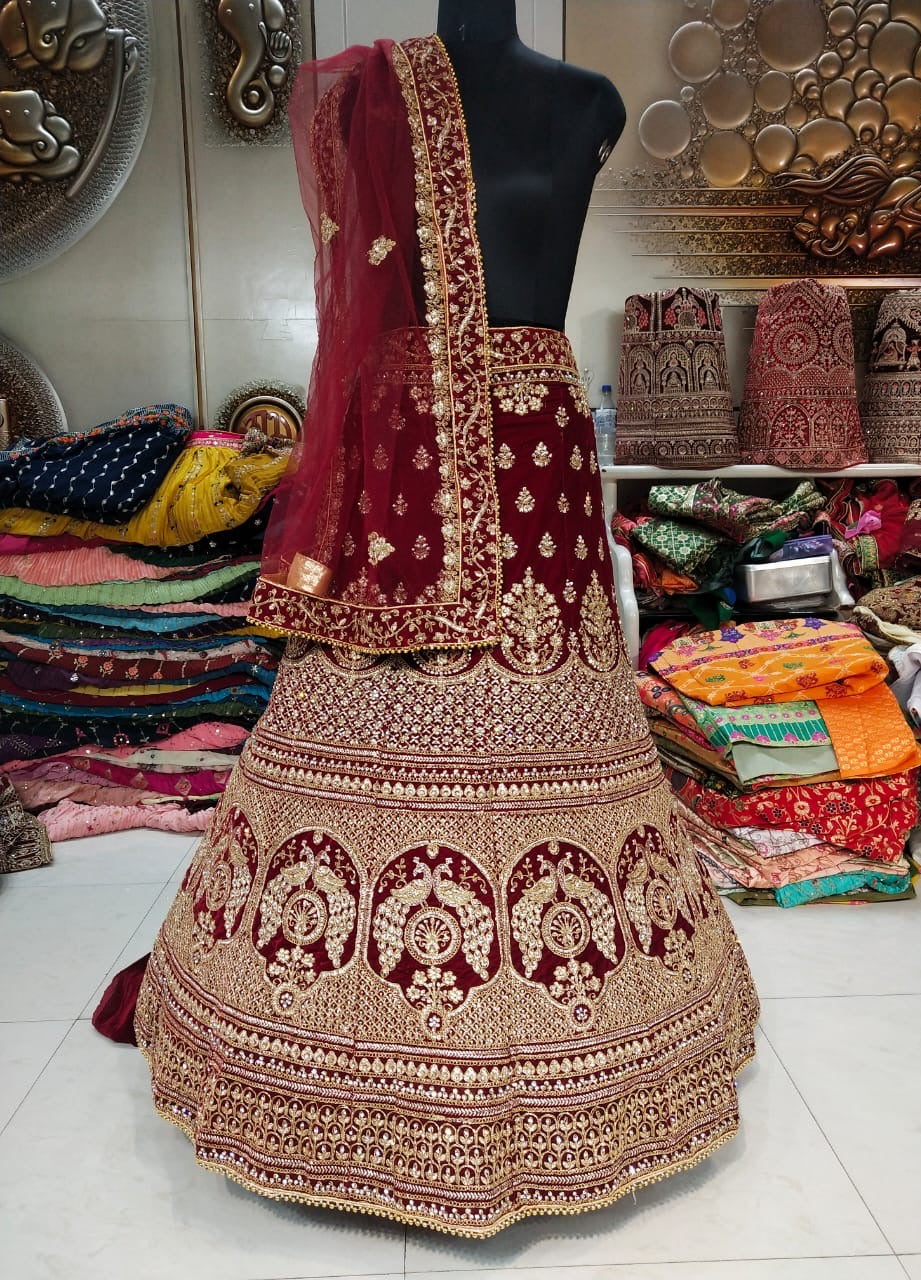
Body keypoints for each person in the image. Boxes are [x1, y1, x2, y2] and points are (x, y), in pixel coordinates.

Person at [95, 0, 759, 1237]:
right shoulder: (361, 95)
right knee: (377, 714)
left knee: (553, 706)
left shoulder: (589, 101)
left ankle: (590, 1021)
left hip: (542, 459)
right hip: (405, 455)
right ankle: (328, 1044)